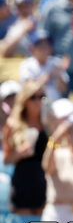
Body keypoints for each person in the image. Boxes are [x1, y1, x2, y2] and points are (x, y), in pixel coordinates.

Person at [1, 81, 48, 215]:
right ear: (25, 100)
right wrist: (21, 153)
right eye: (33, 97)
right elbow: (7, 159)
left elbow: (56, 147)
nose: (38, 101)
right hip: (23, 182)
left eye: (42, 97)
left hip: (44, 180)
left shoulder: (48, 123)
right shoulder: (13, 124)